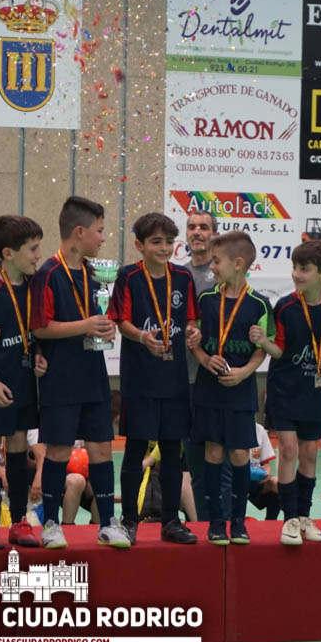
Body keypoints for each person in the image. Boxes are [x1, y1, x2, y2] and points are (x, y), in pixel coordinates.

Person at [29, 196, 129, 549]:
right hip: (60, 378)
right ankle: (51, 524)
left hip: (93, 373)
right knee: (59, 451)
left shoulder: (94, 274)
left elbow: (99, 317)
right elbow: (40, 328)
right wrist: (86, 325)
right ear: (79, 232)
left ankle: (108, 522)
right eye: (99, 231)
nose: (103, 238)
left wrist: (104, 328)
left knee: (102, 447)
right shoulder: (48, 274)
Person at [108, 212, 199, 545]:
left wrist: (193, 331)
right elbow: (121, 321)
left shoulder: (183, 278)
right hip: (140, 378)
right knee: (135, 448)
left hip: (174, 378)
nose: (164, 248)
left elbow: (190, 320)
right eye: (156, 242)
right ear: (139, 245)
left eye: (169, 242)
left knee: (172, 450)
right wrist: (142, 337)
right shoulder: (129, 276)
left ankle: (171, 521)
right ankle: (129, 520)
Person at [255, 239, 321, 545]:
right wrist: (263, 341)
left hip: (316, 392)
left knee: (310, 452)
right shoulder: (285, 307)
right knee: (289, 449)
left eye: (304, 269)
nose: (296, 274)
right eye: (295, 267)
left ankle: (305, 517)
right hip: (285, 390)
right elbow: (279, 350)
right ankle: (290, 520)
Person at [187, 231, 273, 545]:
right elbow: (194, 338)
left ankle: (238, 521)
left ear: (238, 264)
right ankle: (215, 522)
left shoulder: (260, 304)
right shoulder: (206, 299)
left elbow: (262, 349)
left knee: (239, 453)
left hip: (241, 389)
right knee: (212, 451)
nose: (211, 266)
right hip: (209, 388)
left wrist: (245, 372)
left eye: (217, 261)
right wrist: (203, 356)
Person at [0, 215, 47, 548]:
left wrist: (40, 355)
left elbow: (36, 330)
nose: (38, 255)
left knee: (17, 446)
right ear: (8, 253)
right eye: (32, 249)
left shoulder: (35, 285)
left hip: (25, 379)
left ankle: (19, 521)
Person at [183, 210, 218, 520]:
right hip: (184, 380)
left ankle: (226, 521)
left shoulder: (222, 274)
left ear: (214, 235)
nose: (197, 232)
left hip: (214, 378)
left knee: (221, 459)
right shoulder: (178, 276)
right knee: (194, 462)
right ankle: (204, 524)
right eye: (192, 227)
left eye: (204, 227)